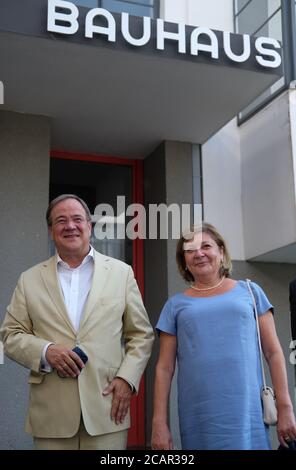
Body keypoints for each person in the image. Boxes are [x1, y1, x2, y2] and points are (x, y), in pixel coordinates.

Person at [0, 194, 154, 450]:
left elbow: (141, 335)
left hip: (107, 408)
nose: (70, 226)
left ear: (89, 226)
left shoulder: (121, 273)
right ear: (51, 230)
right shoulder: (29, 280)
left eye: (77, 219)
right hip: (51, 414)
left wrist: (127, 379)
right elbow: (10, 335)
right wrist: (47, 351)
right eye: (61, 221)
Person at [151, 223, 296, 450]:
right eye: (190, 250)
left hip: (248, 413)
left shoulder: (250, 292)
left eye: (205, 246)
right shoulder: (174, 306)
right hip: (199, 415)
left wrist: (285, 408)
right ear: (184, 261)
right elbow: (164, 368)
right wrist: (159, 422)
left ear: (221, 251)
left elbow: (274, 352)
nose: (198, 254)